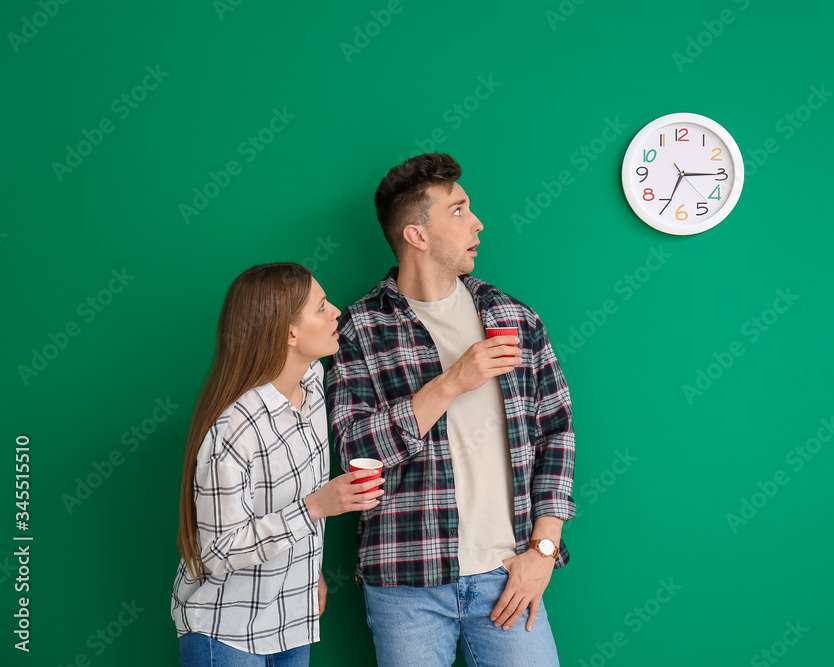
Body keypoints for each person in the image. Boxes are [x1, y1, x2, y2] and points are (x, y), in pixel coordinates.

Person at [328, 153, 575, 666]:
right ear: (417, 235)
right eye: (459, 210)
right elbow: (355, 448)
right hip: (406, 584)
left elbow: (557, 434)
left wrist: (543, 552)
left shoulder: (514, 318)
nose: (478, 222)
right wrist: (452, 382)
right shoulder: (358, 330)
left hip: (509, 575)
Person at [172, 262, 384, 667]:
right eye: (322, 307)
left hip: (291, 620)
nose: (337, 311)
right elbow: (218, 552)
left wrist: (309, 575)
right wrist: (316, 507)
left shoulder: (313, 384)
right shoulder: (234, 429)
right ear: (289, 333)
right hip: (227, 632)